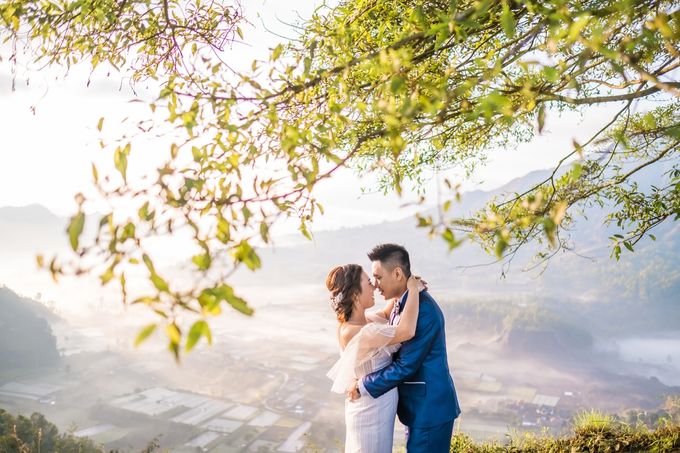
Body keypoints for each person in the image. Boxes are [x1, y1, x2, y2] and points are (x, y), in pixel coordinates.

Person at [348, 243, 461, 453]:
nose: (375, 284)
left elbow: (405, 366)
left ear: (398, 273)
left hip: (429, 409)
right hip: (417, 407)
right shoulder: (403, 302)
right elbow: (379, 318)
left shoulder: (424, 311)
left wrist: (362, 385)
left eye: (378, 277)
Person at [326, 263, 427, 453]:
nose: (374, 286)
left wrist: (401, 284)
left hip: (378, 408)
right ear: (355, 293)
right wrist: (413, 290)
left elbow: (388, 313)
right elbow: (406, 331)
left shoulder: (366, 321)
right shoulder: (355, 331)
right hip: (370, 413)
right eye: (369, 282)